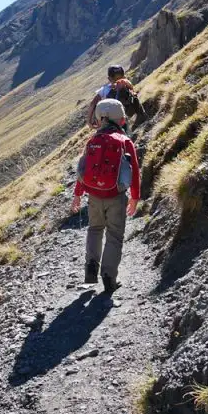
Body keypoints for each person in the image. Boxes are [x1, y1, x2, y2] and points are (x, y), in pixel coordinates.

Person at [71, 98, 140, 294]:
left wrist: (77, 195)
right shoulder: (125, 141)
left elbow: (83, 170)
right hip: (116, 196)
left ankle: (91, 268)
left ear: (100, 119)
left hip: (93, 196)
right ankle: (109, 277)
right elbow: (134, 171)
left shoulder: (92, 141)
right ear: (121, 119)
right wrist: (135, 197)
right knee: (114, 235)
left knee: (94, 229)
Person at [86, 65, 147, 130]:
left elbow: (93, 103)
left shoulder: (104, 89)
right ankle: (142, 115)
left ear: (109, 78)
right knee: (133, 95)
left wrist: (89, 121)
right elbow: (133, 93)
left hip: (110, 119)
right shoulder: (126, 84)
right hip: (125, 113)